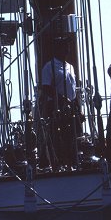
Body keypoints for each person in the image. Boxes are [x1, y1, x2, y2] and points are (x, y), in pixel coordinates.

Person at [38, 38, 79, 169]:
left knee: (74, 136)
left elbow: (73, 88)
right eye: (64, 46)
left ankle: (72, 162)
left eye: (67, 46)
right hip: (56, 107)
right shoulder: (49, 66)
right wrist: (61, 99)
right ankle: (57, 163)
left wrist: (76, 106)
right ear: (57, 49)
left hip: (71, 107)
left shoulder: (70, 67)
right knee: (58, 137)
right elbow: (46, 87)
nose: (67, 49)